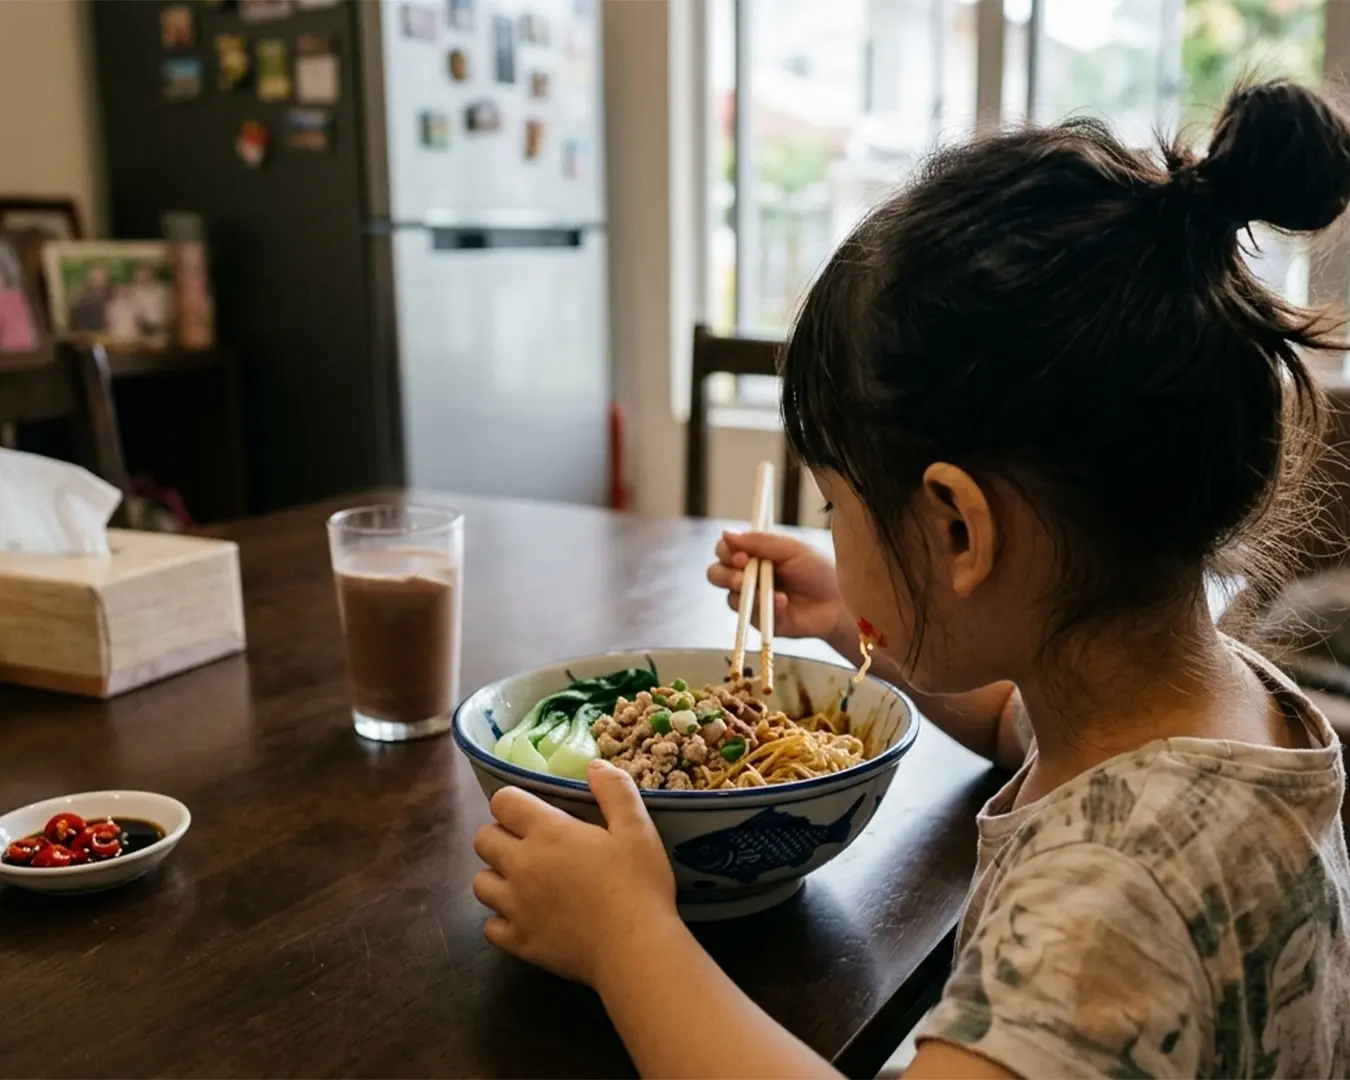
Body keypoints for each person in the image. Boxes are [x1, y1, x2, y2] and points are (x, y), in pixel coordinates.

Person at [472, 79, 1350, 1078]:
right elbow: (1014, 724)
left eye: (836, 508)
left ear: (958, 528)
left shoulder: (1111, 897)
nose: (834, 532)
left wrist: (628, 940)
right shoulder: (1200, 710)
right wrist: (861, 628)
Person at [69, 261, 109, 333]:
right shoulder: (82, 302)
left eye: (102, 279)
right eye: (96, 280)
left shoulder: (112, 297)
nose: (99, 283)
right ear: (90, 280)